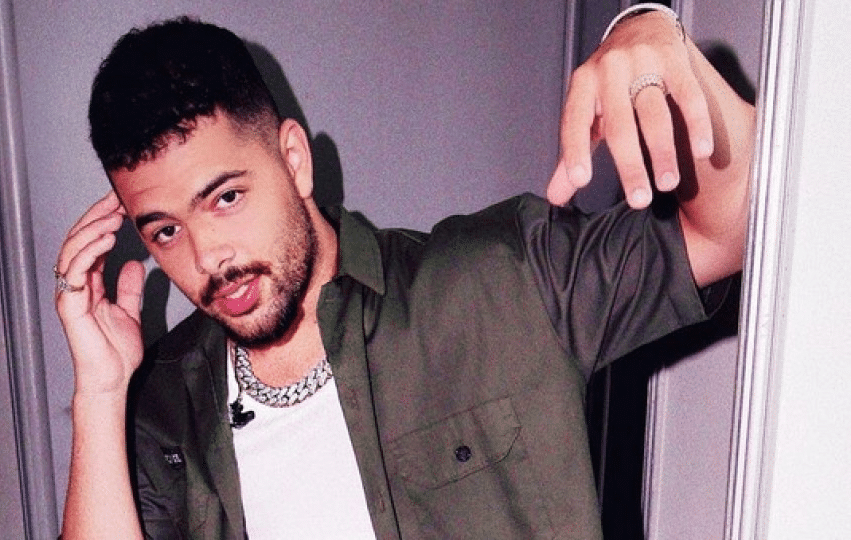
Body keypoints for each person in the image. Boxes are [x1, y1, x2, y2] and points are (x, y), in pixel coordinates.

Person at [55, 7, 754, 540]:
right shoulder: (166, 406)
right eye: (166, 231)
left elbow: (734, 226)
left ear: (294, 160)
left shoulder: (500, 280)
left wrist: (651, 33)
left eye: (226, 198)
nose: (206, 258)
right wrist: (101, 392)